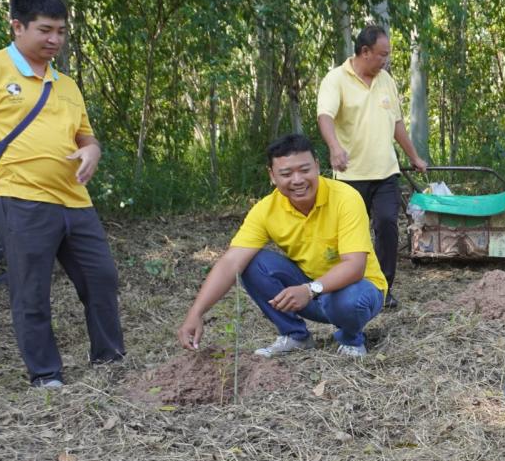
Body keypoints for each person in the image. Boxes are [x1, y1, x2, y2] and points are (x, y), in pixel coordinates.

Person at [0, 0, 124, 387]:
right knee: (31, 290)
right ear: (17, 27)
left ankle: (110, 360)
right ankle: (46, 375)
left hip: (75, 199)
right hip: (21, 197)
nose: (55, 39)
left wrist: (92, 151)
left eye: (61, 31)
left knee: (102, 279)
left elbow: (86, 136)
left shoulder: (66, 84)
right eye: (45, 30)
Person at [177, 134, 386, 359]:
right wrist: (196, 312)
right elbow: (230, 263)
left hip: (360, 291)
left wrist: (309, 289)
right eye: (286, 174)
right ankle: (295, 335)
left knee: (350, 299)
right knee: (251, 263)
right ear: (272, 175)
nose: (297, 180)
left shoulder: (346, 198)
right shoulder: (266, 210)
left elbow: (355, 267)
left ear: (317, 166)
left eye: (304, 170)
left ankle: (351, 339)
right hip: (310, 292)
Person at [317, 24, 427, 310]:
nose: (386, 60)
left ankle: (383, 288)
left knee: (387, 225)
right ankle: (343, 285)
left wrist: (414, 156)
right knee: (350, 235)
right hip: (350, 175)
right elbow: (325, 116)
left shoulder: (386, 80)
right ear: (364, 52)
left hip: (385, 172)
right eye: (382, 54)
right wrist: (334, 148)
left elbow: (397, 123)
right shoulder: (335, 79)